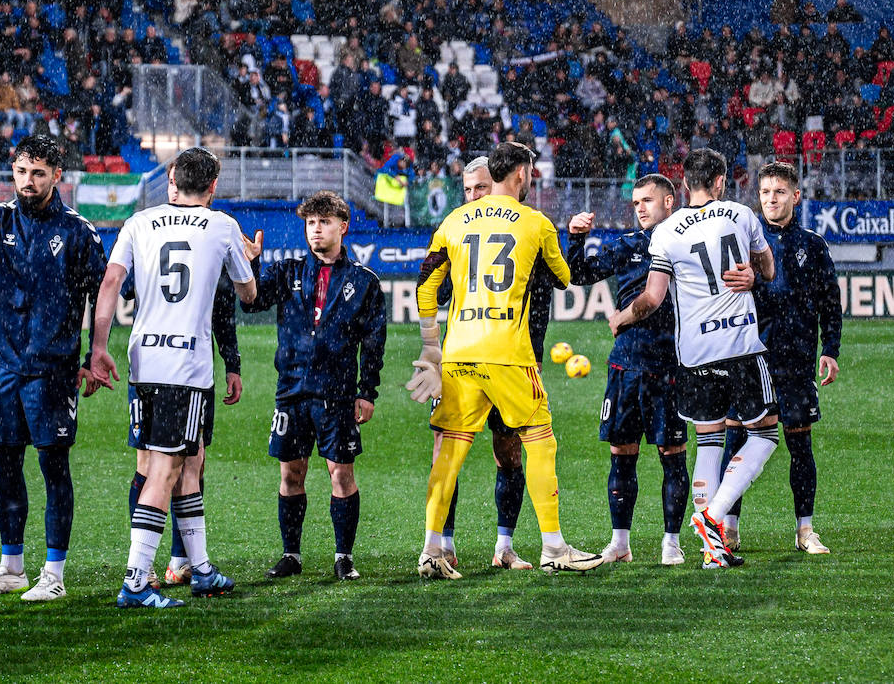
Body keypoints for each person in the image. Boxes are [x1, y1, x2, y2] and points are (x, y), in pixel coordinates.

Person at [411, 141, 602, 578]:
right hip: (510, 356)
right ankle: (554, 546)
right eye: (530, 171)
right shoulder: (535, 222)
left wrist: (430, 346)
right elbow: (564, 278)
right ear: (520, 173)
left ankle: (430, 550)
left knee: (450, 454)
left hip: (458, 355)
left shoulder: (453, 221)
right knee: (539, 441)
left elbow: (425, 289)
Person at [89, 147, 258, 609]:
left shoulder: (138, 222)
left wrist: (98, 347)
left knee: (185, 461)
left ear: (172, 181)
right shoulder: (223, 226)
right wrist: (248, 257)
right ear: (213, 186)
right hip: (186, 367)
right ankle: (136, 582)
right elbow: (248, 294)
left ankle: (200, 568)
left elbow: (109, 284)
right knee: (165, 469)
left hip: (145, 362)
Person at [568, 174, 754, 567]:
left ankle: (672, 542)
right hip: (626, 367)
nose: (639, 207)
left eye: (647, 200)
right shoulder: (629, 245)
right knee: (622, 453)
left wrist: (621, 317)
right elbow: (578, 276)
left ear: (670, 202)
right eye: (635, 202)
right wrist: (575, 237)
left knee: (673, 454)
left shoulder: (686, 240)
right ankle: (620, 542)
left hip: (672, 366)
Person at [607, 148, 777, 570]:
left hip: (694, 353)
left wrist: (621, 316)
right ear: (721, 181)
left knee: (709, 441)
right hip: (738, 343)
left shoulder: (667, 233)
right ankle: (713, 518)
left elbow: (651, 299)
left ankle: (712, 552)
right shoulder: (740, 215)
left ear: (685, 186)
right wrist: (754, 274)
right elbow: (768, 271)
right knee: (766, 435)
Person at [0, 135, 108, 603]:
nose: (28, 181)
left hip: (52, 370)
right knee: (4, 464)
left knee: (52, 465)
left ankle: (54, 572)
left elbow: (102, 295)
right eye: (22, 172)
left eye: (39, 173)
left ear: (57, 176)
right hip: (4, 367)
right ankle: (10, 567)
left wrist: (94, 353)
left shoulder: (79, 231)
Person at [242, 191, 386, 581]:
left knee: (341, 474)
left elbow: (374, 342)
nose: (316, 229)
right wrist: (250, 268)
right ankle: (291, 555)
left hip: (337, 394)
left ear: (343, 226)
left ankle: (344, 557)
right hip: (291, 390)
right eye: (310, 223)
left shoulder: (364, 281)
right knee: (291, 473)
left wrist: (366, 391)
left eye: (324, 222)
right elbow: (251, 302)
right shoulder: (286, 272)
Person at [716, 162, 841, 555]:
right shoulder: (740, 241)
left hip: (796, 362)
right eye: (766, 192)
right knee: (736, 441)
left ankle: (805, 530)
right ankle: (728, 528)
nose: (772, 199)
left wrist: (831, 350)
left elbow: (830, 303)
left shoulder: (812, 245)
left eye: (780, 192)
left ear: (795, 196)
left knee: (799, 445)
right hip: (750, 359)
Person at [428, 157, 541, 572]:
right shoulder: (456, 229)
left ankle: (504, 547)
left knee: (508, 453)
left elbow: (539, 301)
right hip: (461, 361)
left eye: (481, 188)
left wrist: (537, 357)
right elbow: (433, 293)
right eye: (468, 190)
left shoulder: (524, 230)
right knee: (447, 452)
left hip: (510, 360)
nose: (474, 196)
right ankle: (441, 544)